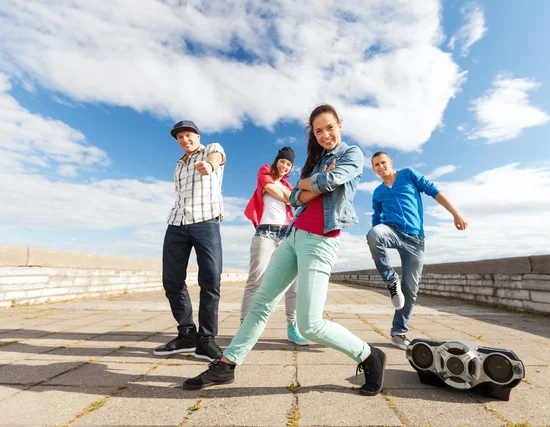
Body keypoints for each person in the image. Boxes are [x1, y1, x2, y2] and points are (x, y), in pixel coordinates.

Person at [183, 104, 387, 396]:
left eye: (330, 127)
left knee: (310, 324)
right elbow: (296, 198)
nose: (325, 134)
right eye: (319, 130)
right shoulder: (317, 162)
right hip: (293, 236)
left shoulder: (351, 154)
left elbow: (329, 182)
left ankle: (368, 355)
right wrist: (309, 186)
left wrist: (307, 185)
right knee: (262, 302)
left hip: (321, 239)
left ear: (340, 125)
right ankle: (227, 365)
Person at [367, 151, 468, 350]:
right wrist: (375, 234)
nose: (381, 167)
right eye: (376, 165)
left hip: (415, 240)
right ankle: (390, 280)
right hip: (392, 231)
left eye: (383, 163)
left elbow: (433, 191)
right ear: (373, 169)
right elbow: (376, 219)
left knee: (410, 290)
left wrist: (456, 214)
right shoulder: (378, 192)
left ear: (390, 163)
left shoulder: (407, 175)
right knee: (374, 234)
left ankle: (398, 333)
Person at [153, 120, 226, 362]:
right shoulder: (178, 165)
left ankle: (206, 340)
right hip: (176, 223)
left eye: (189, 135)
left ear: (197, 135)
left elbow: (217, 157)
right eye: (180, 137)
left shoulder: (211, 150)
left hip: (206, 222)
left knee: (210, 280)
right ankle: (186, 334)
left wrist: (209, 165)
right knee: (172, 281)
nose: (185, 140)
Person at [241, 146, 310, 346]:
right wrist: (289, 196)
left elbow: (295, 202)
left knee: (294, 285)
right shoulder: (264, 171)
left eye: (289, 164)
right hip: (265, 232)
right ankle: (245, 327)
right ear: (277, 161)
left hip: (287, 235)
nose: (285, 166)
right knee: (256, 280)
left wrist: (290, 196)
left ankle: (293, 328)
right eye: (283, 162)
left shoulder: (289, 185)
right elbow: (276, 191)